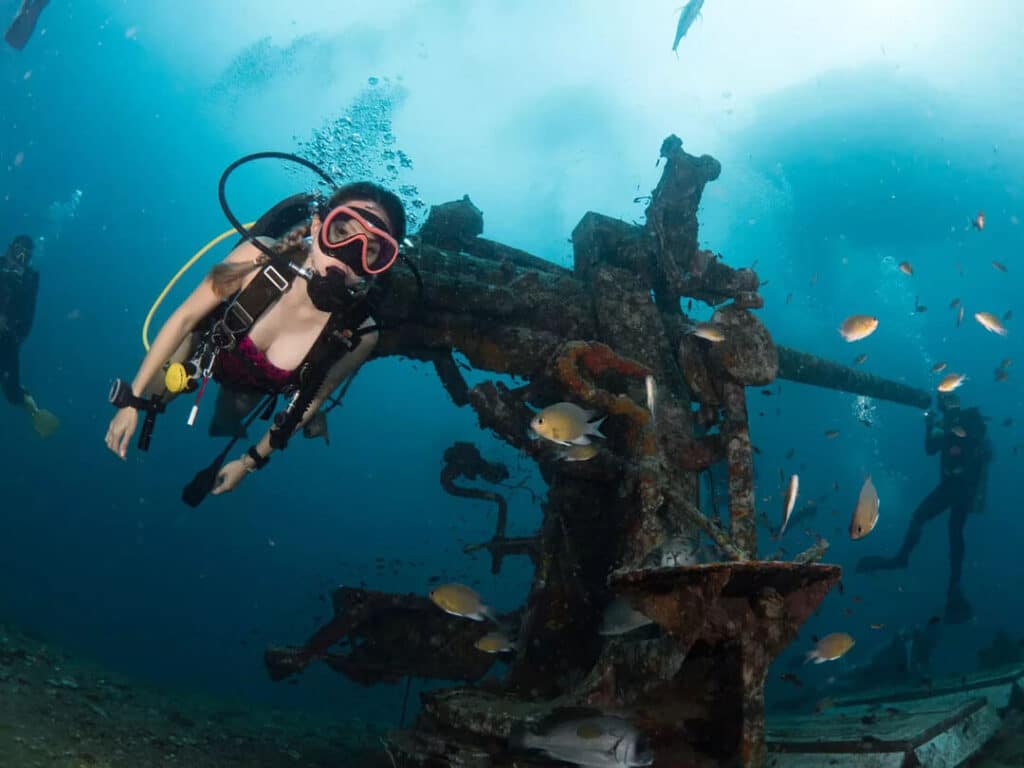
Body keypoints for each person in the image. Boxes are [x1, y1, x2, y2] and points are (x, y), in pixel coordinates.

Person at [104, 181, 406, 498]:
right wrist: (132, 400)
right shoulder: (258, 256)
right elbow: (186, 318)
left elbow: (311, 399)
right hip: (206, 354)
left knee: (230, 417)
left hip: (258, 389)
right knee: (154, 401)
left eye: (370, 251)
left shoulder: (360, 333)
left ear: (379, 266)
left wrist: (248, 463)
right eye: (341, 232)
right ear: (318, 225)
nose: (347, 256)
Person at [857, 394, 991, 624]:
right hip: (957, 487)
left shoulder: (961, 422)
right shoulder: (950, 423)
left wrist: (941, 429)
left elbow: (960, 447)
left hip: (960, 486)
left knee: (932, 522)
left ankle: (909, 562)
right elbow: (931, 448)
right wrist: (930, 425)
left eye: (942, 405)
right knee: (949, 530)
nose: (941, 409)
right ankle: (950, 583)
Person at [0, 235, 59, 437]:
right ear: (10, 249)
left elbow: (26, 319)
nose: (20, 258)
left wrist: (9, 331)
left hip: (6, 342)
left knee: (12, 393)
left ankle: (33, 411)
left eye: (25, 256)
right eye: (18, 252)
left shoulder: (28, 282)